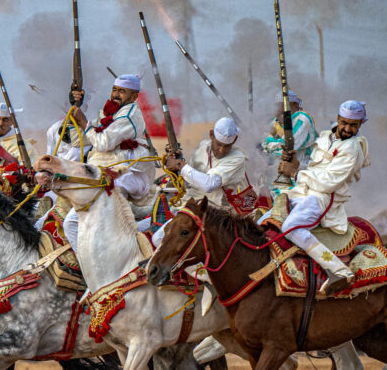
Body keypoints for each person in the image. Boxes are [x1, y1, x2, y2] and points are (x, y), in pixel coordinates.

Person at [258, 100, 370, 294]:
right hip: (302, 191)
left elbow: (328, 182)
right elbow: (313, 167)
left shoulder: (353, 148)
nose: (347, 129)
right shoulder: (326, 137)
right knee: (261, 223)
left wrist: (295, 172)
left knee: (291, 228)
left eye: (354, 125)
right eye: (344, 123)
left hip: (323, 199)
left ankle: (339, 271)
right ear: (338, 119)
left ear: (360, 124)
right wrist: (295, 161)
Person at [62, 74, 156, 250]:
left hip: (126, 175)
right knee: (68, 216)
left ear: (134, 97)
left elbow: (102, 142)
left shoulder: (129, 115)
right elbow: (76, 140)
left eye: (122, 91)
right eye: (114, 90)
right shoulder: (108, 113)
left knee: (74, 222)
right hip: (105, 173)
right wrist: (75, 109)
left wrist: (84, 121)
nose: (116, 95)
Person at [154, 117, 253, 246]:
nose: (222, 150)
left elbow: (209, 185)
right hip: (190, 204)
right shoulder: (202, 146)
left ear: (234, 140)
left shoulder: (237, 158)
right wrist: (176, 164)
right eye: (219, 144)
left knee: (158, 238)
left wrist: (180, 165)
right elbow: (190, 179)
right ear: (211, 135)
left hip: (215, 213)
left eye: (227, 146)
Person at [261, 90, 317, 194]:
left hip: (300, 173)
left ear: (295, 105)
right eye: (278, 106)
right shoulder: (276, 121)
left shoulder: (302, 119)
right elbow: (263, 145)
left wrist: (270, 140)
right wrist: (271, 144)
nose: (280, 109)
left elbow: (289, 146)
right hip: (277, 175)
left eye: (284, 106)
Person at [0, 103, 38, 170]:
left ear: (12, 121)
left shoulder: (26, 148)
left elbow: (30, 171)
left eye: (5, 120)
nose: (0, 123)